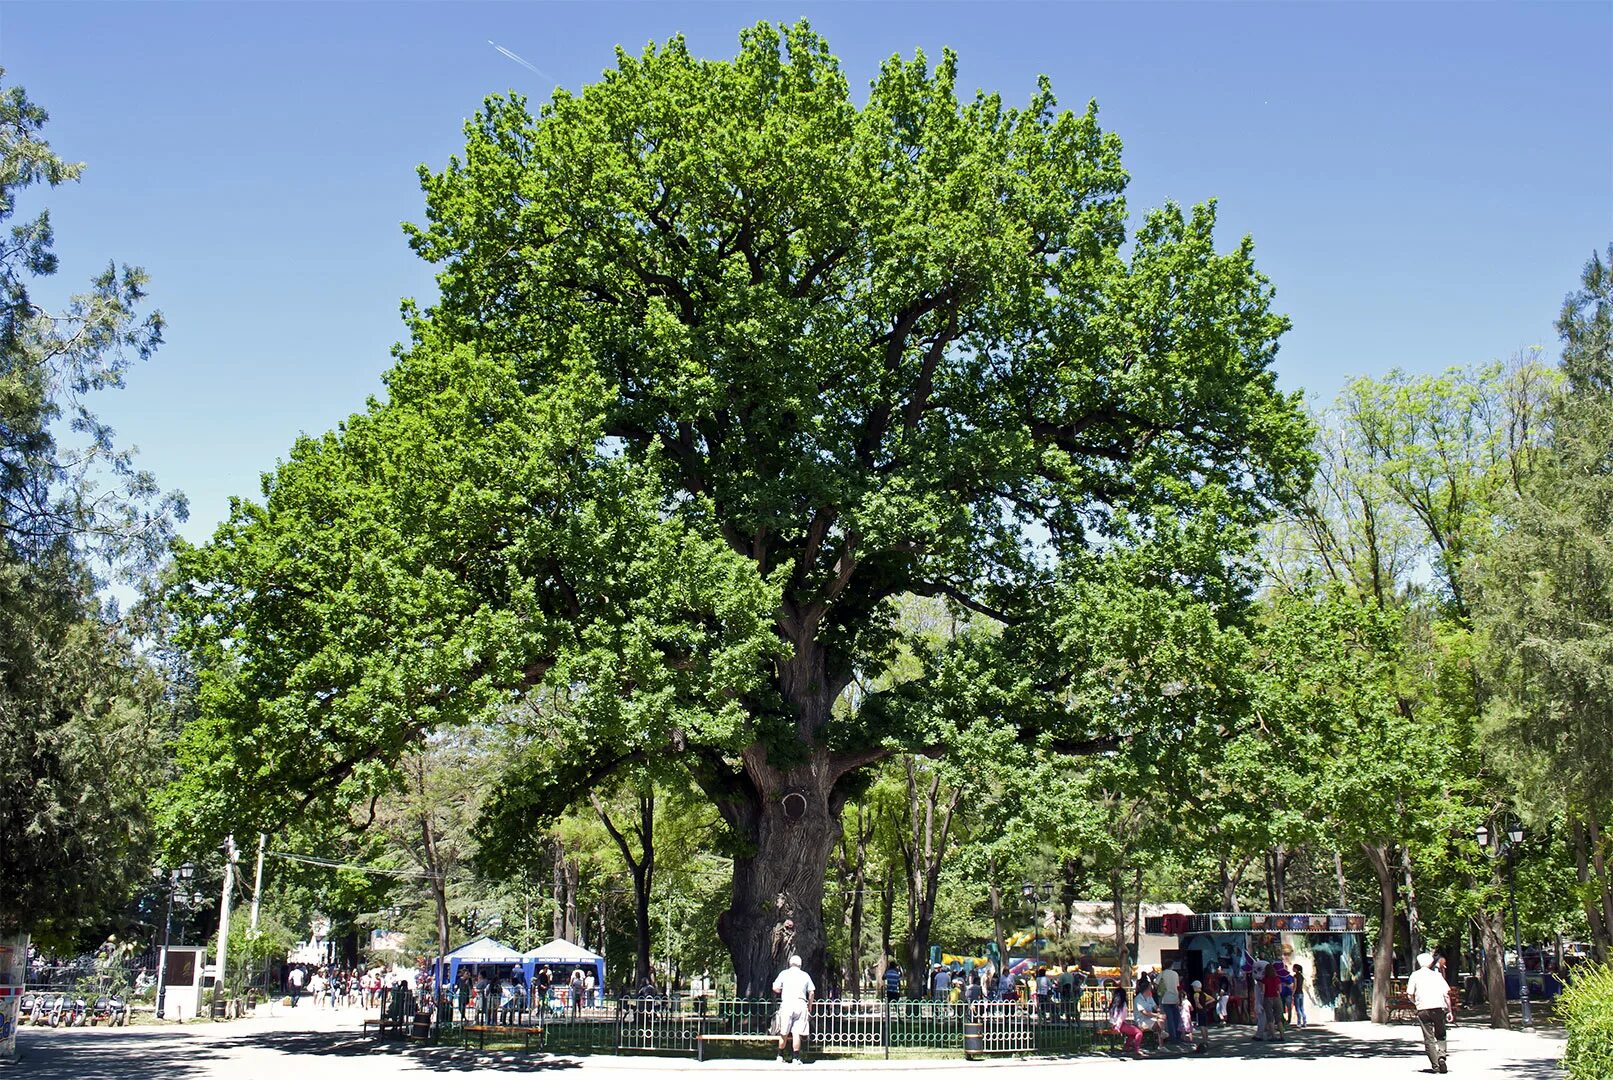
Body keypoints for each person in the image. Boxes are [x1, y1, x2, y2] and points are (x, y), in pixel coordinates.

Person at [1407, 952, 1453, 1074]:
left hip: (1423, 1008)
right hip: (1438, 1008)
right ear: (1431, 963)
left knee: (1429, 1037)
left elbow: (1410, 994)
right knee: (1441, 1034)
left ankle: (1435, 1065)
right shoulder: (1437, 976)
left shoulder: (1415, 976)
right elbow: (1446, 995)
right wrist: (1449, 1011)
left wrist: (1416, 1003)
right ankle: (1442, 1056)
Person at [771, 954, 816, 1064]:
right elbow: (811, 992)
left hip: (787, 1003)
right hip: (800, 1004)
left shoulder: (784, 974)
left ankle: (780, 1055)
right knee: (797, 1033)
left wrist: (782, 990)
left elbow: (775, 987)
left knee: (784, 1032)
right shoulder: (805, 975)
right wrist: (809, 1005)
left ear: (790, 963)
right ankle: (796, 1058)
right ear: (800, 964)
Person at [1107, 984, 1147, 1057]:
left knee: (1132, 1033)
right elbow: (1121, 1017)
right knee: (1139, 1033)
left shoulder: (1113, 1004)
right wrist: (1118, 1027)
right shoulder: (1123, 1004)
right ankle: (1136, 1049)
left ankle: (1127, 1046)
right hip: (1120, 1025)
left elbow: (1113, 1017)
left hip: (1113, 1024)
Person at [1155, 963, 1182, 1044]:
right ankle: (1177, 1036)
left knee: (1169, 1019)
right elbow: (1177, 986)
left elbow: (1156, 985)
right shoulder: (1175, 974)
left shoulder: (1162, 973)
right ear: (1171, 966)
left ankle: (1172, 1037)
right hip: (1175, 997)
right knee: (1176, 1018)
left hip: (1165, 998)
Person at [1291, 963, 1308, 1028]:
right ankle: (1304, 1022)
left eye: (1293, 968)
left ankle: (1299, 1022)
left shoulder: (1295, 976)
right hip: (1301, 993)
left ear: (1296, 969)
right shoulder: (1301, 976)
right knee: (1302, 1008)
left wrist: (1292, 993)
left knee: (1297, 1008)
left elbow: (1295, 986)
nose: (1292, 969)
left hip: (1297, 993)